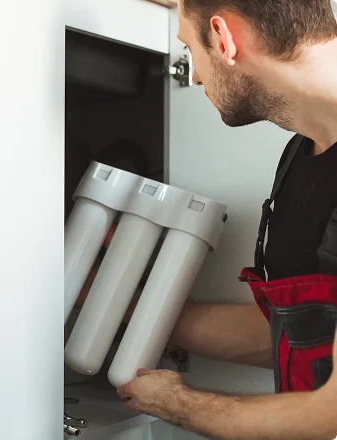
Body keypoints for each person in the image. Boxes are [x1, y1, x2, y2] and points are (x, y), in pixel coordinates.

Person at [116, 1, 337, 438]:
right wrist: (122, 305)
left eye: (189, 47)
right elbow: (296, 331)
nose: (194, 74)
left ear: (223, 38)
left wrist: (179, 404)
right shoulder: (302, 151)